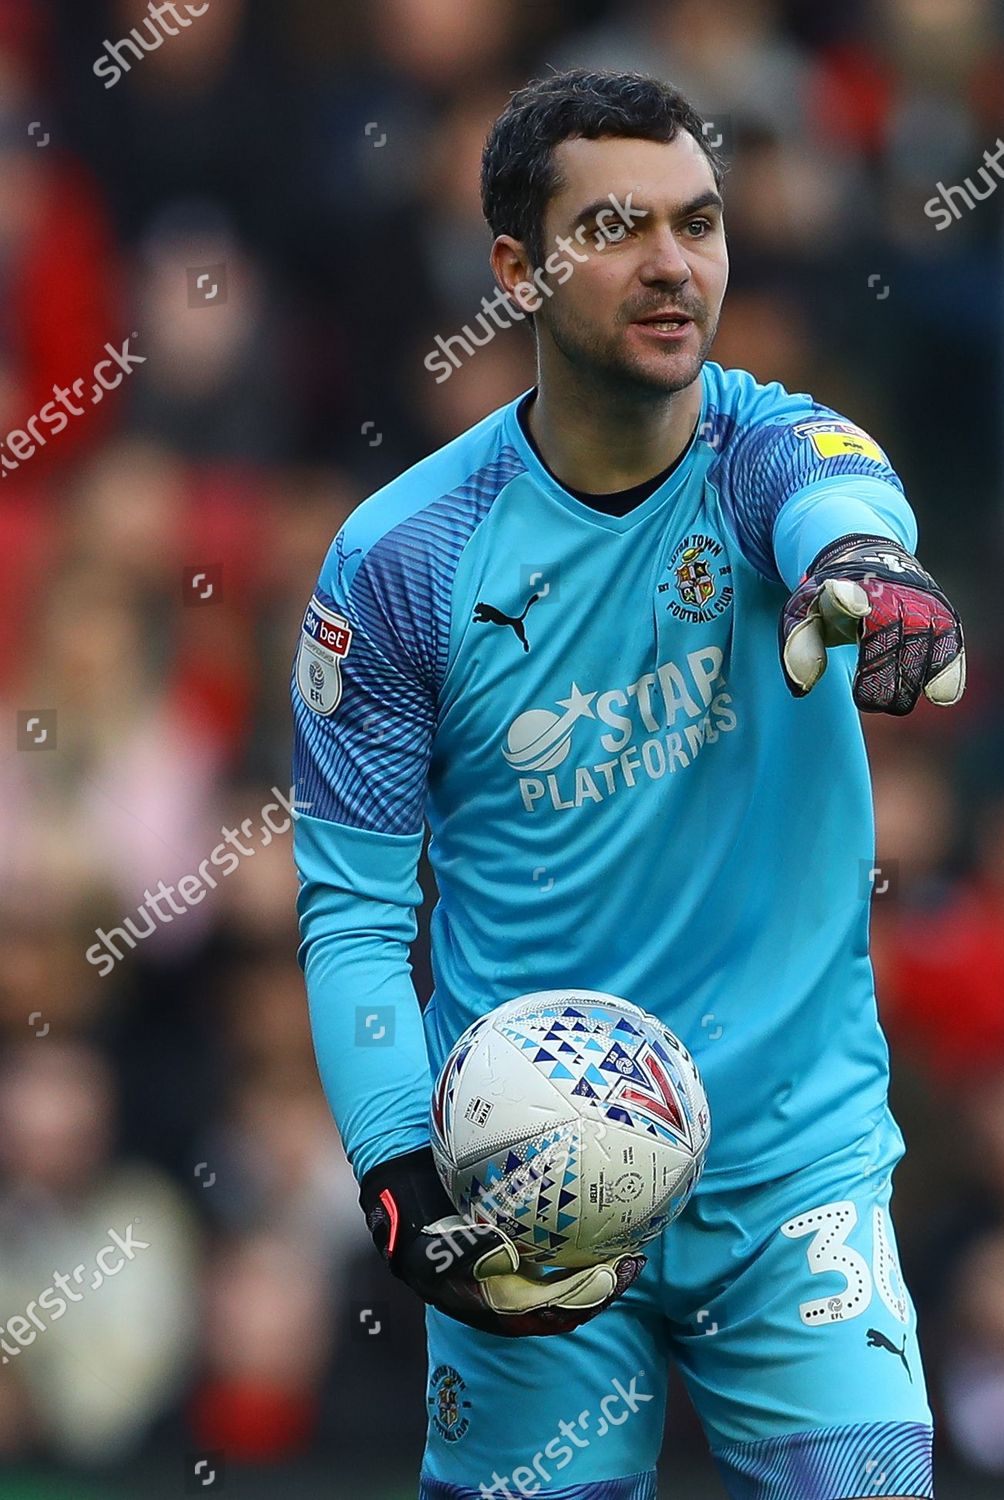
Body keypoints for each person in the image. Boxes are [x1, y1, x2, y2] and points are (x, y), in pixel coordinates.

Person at [291, 68, 964, 1500]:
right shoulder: (399, 563)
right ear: (517, 269)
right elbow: (351, 910)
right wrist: (403, 1175)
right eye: (617, 225)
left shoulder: (770, 451)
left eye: (700, 222)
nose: (674, 262)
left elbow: (843, 507)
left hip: (793, 1170)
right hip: (527, 1182)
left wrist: (866, 576)